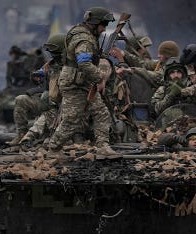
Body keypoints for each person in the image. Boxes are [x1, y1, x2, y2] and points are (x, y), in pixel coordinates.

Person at [47, 7, 117, 156]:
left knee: (101, 113)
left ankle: (103, 146)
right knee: (72, 120)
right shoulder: (84, 39)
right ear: (95, 23)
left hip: (83, 81)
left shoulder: (82, 33)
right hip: (75, 84)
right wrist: (99, 78)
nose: (104, 29)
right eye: (103, 25)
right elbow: (84, 63)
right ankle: (53, 148)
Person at [11, 33, 66, 145]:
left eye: (54, 52)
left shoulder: (71, 65)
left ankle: (45, 136)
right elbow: (39, 78)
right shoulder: (50, 64)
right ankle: (21, 134)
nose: (52, 54)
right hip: (47, 100)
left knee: (47, 101)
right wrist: (38, 77)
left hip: (63, 104)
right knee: (21, 99)